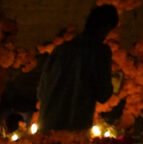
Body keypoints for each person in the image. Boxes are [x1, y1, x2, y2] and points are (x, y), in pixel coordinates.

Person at [36, 5, 119, 133]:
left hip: (47, 125)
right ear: (105, 28)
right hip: (75, 129)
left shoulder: (60, 50)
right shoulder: (99, 52)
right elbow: (103, 94)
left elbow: (41, 91)